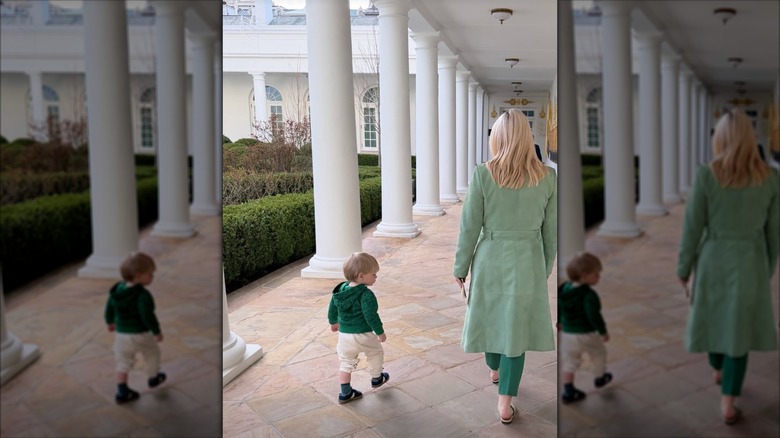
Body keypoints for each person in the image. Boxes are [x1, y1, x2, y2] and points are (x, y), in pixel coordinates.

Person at [453, 109, 557, 424]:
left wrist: (460, 267)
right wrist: (545, 266)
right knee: (516, 328)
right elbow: (551, 232)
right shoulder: (547, 177)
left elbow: (469, 226)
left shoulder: (482, 174)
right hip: (527, 258)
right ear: (528, 137)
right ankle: (505, 402)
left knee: (489, 315)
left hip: (490, 256)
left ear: (496, 138)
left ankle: (494, 368)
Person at [677, 108, 779, 425]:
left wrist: (683, 267)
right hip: (750, 259)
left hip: (713, 257)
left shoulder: (707, 175)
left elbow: (692, 227)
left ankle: (718, 368)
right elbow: (774, 232)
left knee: (712, 316)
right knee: (738, 330)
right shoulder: (770, 178)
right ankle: (729, 403)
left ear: (719, 139)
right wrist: (768, 267)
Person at [104, 251, 166, 404]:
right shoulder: (142, 295)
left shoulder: (117, 291)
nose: (152, 277)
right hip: (140, 334)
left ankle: (122, 390)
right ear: (138, 275)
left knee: (123, 361)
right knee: (152, 352)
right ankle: (153, 377)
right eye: (150, 274)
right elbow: (148, 316)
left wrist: (110, 322)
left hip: (121, 335)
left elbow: (109, 308)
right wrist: (156, 332)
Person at [328, 252, 390, 404]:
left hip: (345, 336)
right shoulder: (366, 294)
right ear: (361, 276)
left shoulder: (340, 290)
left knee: (346, 362)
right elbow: (371, 316)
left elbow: (332, 308)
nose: (376, 277)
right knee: (375, 353)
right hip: (364, 334)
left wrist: (333, 322)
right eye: (373, 274)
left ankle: (345, 393)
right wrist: (380, 332)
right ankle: (377, 378)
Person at [557, 252, 612, 404]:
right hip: (586, 334)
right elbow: (594, 316)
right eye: (596, 274)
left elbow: (560, 307)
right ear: (584, 275)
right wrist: (603, 331)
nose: (599, 277)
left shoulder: (564, 289)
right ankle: (600, 377)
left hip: (568, 335)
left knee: (570, 361)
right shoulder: (589, 295)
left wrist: (560, 322)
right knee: (598, 353)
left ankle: (568, 390)